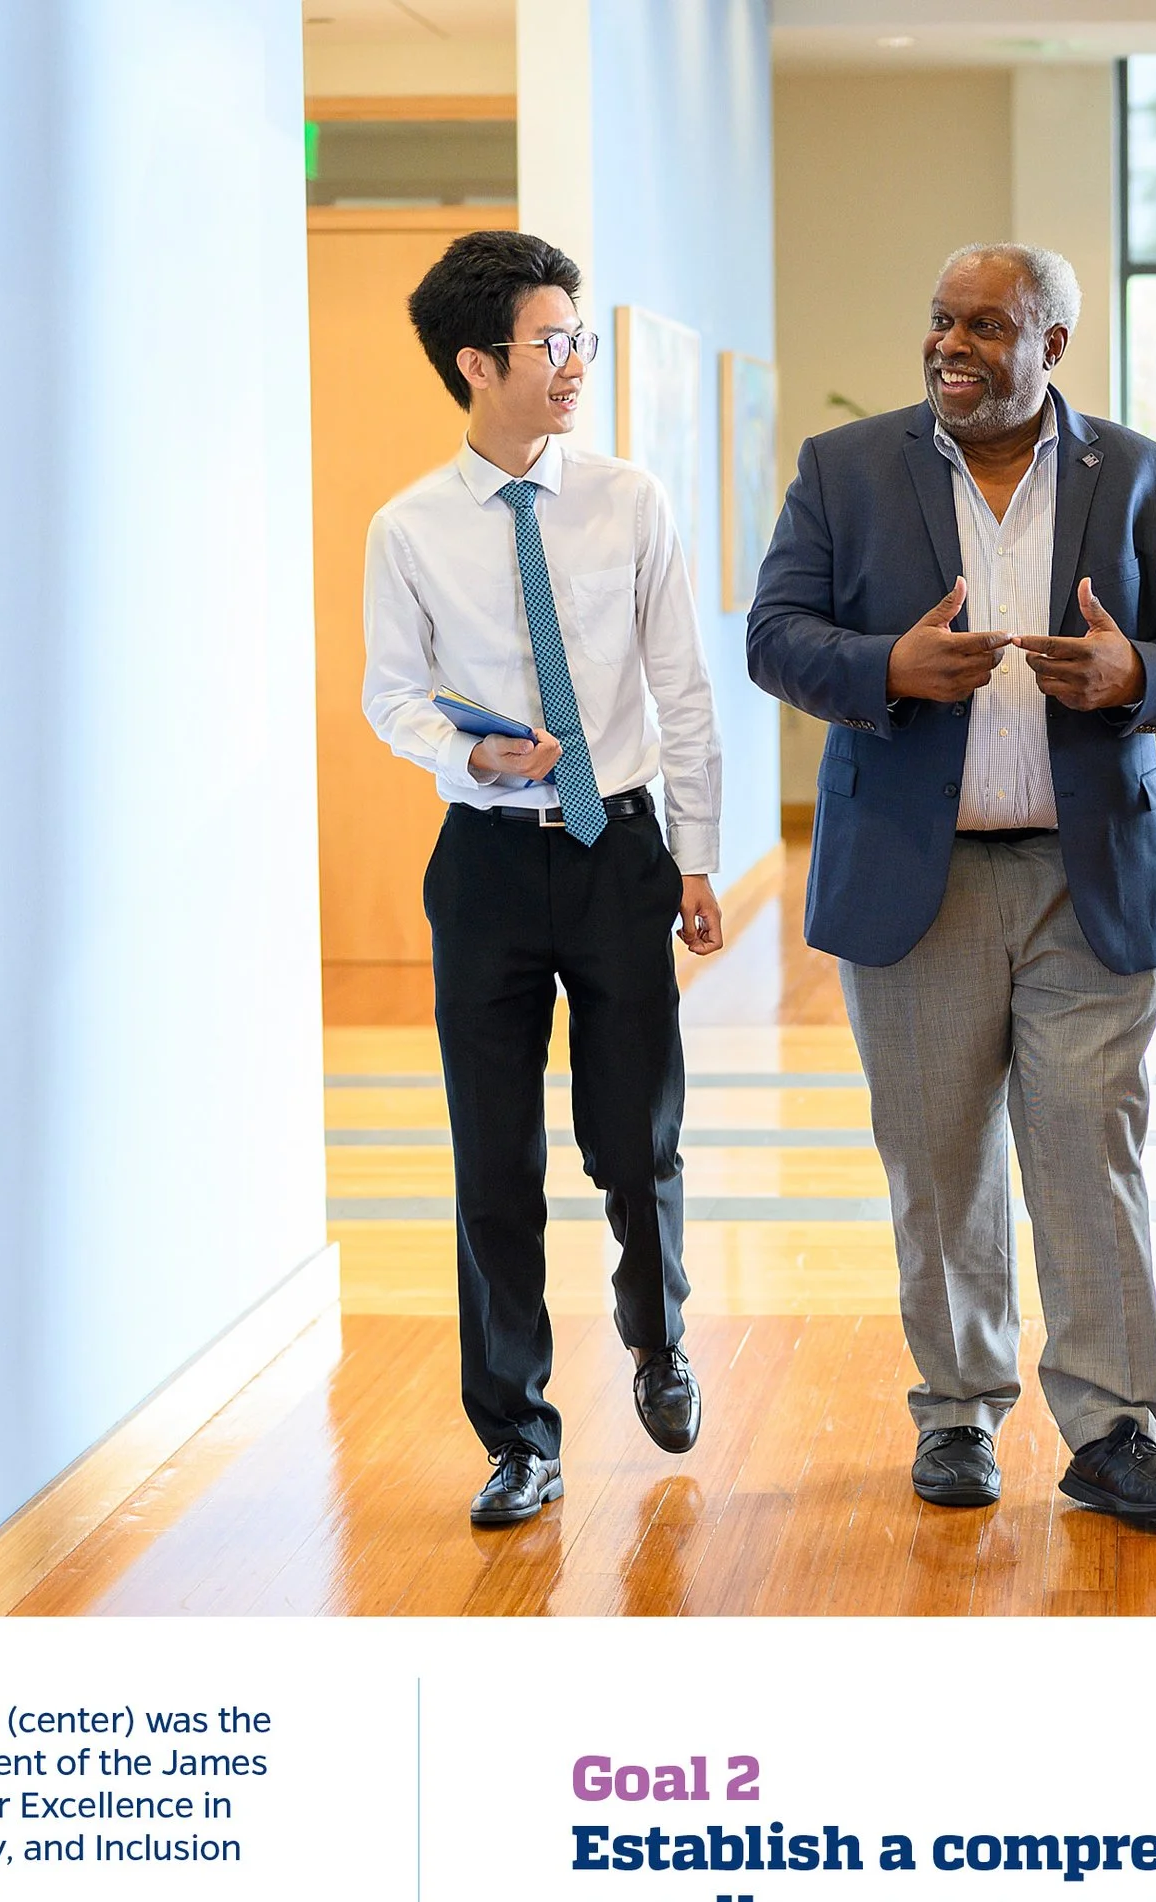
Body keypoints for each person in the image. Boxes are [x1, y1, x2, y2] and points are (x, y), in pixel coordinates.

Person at [747, 243, 1156, 1522]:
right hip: (918, 883)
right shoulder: (845, 469)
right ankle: (958, 1412)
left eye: (984, 327)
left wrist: (1137, 678)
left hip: (1090, 878)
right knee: (938, 1158)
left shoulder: (1141, 475)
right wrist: (886, 669)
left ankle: (1115, 1427)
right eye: (938, 322)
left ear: (1051, 346)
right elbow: (774, 637)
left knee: (1092, 1152)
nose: (950, 346)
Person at [361, 230, 726, 1528]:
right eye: (550, 343)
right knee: (492, 1163)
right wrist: (469, 756)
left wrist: (697, 856)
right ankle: (518, 1434)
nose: (575, 363)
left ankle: (658, 1333)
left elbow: (684, 688)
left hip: (619, 848)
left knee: (638, 1138)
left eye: (579, 339)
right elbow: (391, 700)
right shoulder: (406, 529)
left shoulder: (631, 500)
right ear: (477, 363)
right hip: (486, 865)